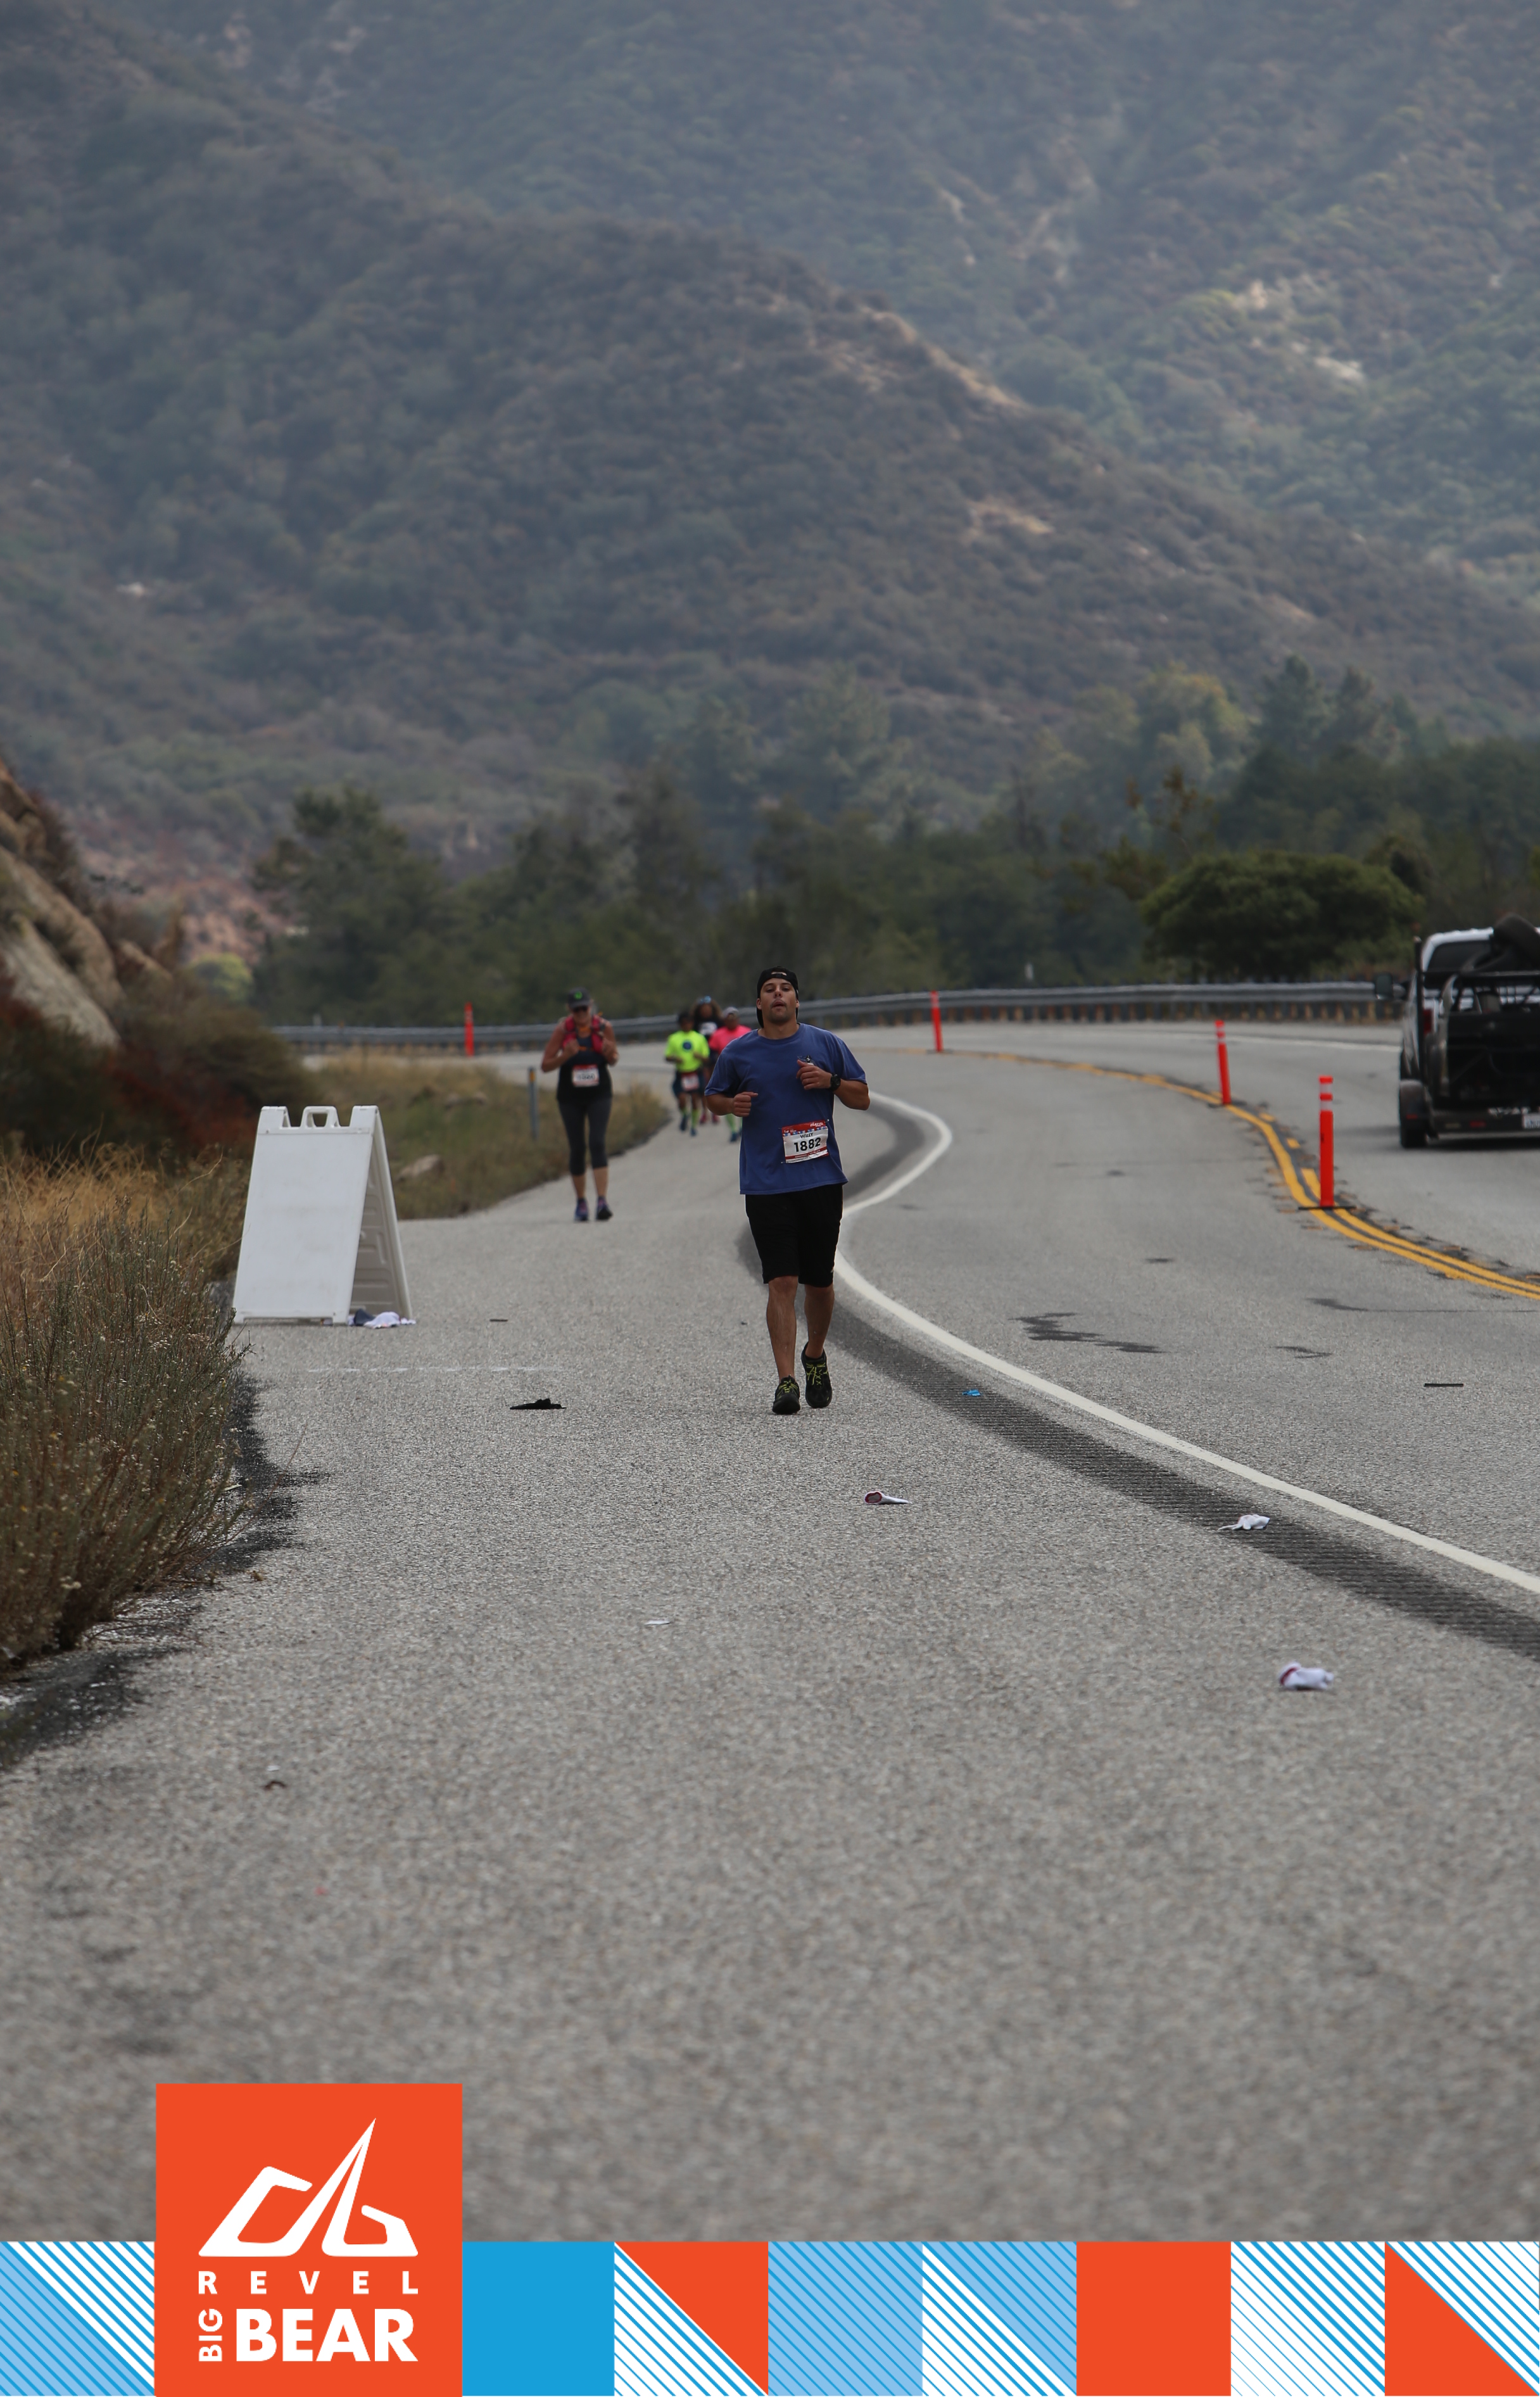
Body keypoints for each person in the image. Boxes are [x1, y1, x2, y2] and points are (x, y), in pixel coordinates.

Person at [705, 967, 869, 1415]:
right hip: (766, 1184)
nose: (778, 995)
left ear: (797, 1000)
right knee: (781, 1280)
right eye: (769, 990)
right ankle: (786, 1381)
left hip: (820, 1180)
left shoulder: (826, 1044)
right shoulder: (739, 1053)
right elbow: (713, 1097)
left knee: (820, 1283)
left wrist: (830, 1081)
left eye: (786, 989)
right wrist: (731, 1105)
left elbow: (862, 1097)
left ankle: (814, 1355)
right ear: (759, 1004)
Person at [541, 986, 620, 1222]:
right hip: (570, 1097)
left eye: (584, 1008)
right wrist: (565, 1056)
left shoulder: (604, 1028)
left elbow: (614, 1059)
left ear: (591, 1006)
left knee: (597, 1142)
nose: (581, 1013)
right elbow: (545, 1065)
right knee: (577, 1148)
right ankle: (581, 1202)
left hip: (599, 1094)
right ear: (569, 1010)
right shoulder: (562, 1031)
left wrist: (610, 1054)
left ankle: (602, 1201)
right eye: (576, 1010)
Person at [664, 1008, 712, 1135]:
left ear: (692, 1023)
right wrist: (675, 1058)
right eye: (683, 1023)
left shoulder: (699, 1038)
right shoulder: (674, 1038)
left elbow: (707, 1057)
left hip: (695, 1072)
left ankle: (694, 1126)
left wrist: (700, 1057)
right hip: (682, 1073)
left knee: (695, 1099)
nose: (686, 1025)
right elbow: (667, 1056)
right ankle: (685, 1115)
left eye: (688, 1022)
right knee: (681, 1099)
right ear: (680, 1025)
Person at [707, 1008, 750, 1142]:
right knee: (729, 1100)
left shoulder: (746, 1032)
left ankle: (742, 1128)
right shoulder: (718, 1035)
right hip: (726, 1072)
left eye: (734, 1019)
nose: (731, 1022)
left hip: (744, 1071)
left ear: (738, 1019)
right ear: (725, 1021)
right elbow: (712, 1053)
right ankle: (733, 1130)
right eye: (729, 1019)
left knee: (743, 1099)